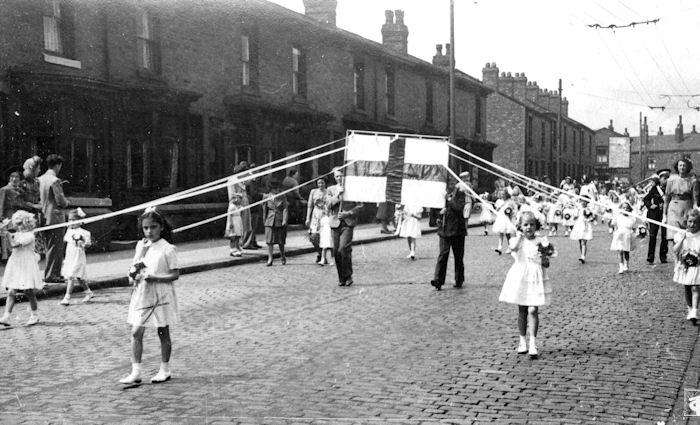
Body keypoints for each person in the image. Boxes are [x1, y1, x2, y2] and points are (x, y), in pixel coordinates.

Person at [120, 208, 180, 385]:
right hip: (142, 293)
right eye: (145, 228)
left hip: (160, 294)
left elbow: (175, 274)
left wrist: (156, 278)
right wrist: (132, 275)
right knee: (136, 331)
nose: (149, 231)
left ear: (161, 227)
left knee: (162, 331)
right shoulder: (141, 245)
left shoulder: (168, 248)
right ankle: (136, 371)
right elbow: (136, 265)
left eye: (153, 227)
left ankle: (165, 369)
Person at [498, 211, 555, 358]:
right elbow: (514, 248)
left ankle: (533, 343)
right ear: (520, 226)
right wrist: (519, 236)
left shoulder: (542, 241)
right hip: (521, 276)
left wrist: (545, 259)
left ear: (536, 226)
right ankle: (522, 341)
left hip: (535, 277)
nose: (529, 227)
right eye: (525, 225)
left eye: (531, 224)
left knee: (532, 310)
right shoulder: (516, 240)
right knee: (522, 310)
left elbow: (547, 262)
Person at [0, 210, 43, 326]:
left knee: (28, 291)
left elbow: (14, 245)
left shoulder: (29, 236)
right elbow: (11, 248)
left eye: (18, 224)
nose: (16, 226)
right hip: (16, 264)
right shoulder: (17, 235)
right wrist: (5, 236)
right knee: (11, 291)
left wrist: (7, 236)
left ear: (24, 224)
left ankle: (34, 315)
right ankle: (6, 317)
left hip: (26, 265)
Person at [326, 167, 363, 287]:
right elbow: (328, 204)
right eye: (337, 176)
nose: (339, 178)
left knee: (343, 249)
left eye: (341, 175)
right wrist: (338, 195)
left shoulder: (353, 189)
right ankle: (341, 277)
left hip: (347, 223)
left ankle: (348, 275)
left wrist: (348, 213)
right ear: (334, 177)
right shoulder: (331, 189)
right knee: (336, 251)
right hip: (335, 223)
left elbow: (360, 206)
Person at [38, 154, 69, 283]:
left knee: (49, 246)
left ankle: (53, 273)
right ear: (58, 165)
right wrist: (68, 202)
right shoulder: (55, 180)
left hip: (43, 216)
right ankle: (52, 275)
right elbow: (60, 201)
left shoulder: (39, 179)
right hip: (55, 217)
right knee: (56, 247)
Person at [430, 183, 467, 290]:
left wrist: (449, 199)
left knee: (458, 256)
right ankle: (438, 280)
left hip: (457, 231)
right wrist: (439, 213)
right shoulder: (441, 194)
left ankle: (459, 279)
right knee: (443, 254)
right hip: (444, 230)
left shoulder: (461, 194)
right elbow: (435, 210)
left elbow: (458, 207)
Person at [60, 208, 93, 305]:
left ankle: (67, 297)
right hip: (70, 255)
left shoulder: (85, 232)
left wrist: (82, 243)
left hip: (78, 256)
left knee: (71, 276)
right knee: (79, 277)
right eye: (69, 220)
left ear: (80, 221)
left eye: (74, 220)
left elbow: (88, 244)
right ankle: (89, 292)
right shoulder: (69, 231)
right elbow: (66, 241)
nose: (71, 222)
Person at [673, 209, 700, 324]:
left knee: (696, 287)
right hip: (685, 265)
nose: (692, 225)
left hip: (697, 265)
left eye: (695, 222)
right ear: (686, 222)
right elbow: (675, 250)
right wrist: (683, 238)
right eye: (690, 222)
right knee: (687, 287)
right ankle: (690, 309)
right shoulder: (680, 234)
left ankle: (694, 310)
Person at [664, 158, 696, 243]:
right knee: (675, 235)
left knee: (686, 234)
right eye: (680, 165)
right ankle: (677, 255)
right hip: (673, 208)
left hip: (686, 207)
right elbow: (667, 198)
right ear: (677, 167)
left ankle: (685, 255)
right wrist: (664, 214)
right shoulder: (671, 180)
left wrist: (695, 210)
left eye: (684, 165)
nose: (682, 167)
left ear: (688, 167)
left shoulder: (692, 181)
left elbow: (694, 198)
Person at [224, 164, 252, 257]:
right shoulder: (233, 181)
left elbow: (250, 181)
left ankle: (238, 246)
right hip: (235, 208)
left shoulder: (241, 181)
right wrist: (238, 199)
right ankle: (233, 248)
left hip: (242, 206)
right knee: (234, 229)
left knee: (240, 228)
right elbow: (232, 196)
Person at [262, 178, 288, 266]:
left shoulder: (282, 196)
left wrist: (284, 220)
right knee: (269, 241)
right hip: (270, 221)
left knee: (281, 241)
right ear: (271, 189)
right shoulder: (266, 197)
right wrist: (264, 221)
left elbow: (285, 208)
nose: (276, 190)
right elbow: (264, 210)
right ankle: (270, 258)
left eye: (277, 188)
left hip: (279, 220)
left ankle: (283, 256)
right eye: (274, 188)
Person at [0, 170, 23, 261]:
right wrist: (1, 217)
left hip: (17, 215)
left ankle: (16, 256)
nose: (14, 179)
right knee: (6, 236)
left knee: (16, 235)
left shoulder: (20, 190)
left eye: (16, 177)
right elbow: (1, 204)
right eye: (12, 177)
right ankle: (7, 257)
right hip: (7, 216)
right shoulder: (4, 189)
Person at [643, 176, 667, 265]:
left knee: (665, 237)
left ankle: (663, 256)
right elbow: (646, 199)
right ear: (660, 179)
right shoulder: (654, 189)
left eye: (667, 178)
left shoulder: (669, 188)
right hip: (654, 214)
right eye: (664, 178)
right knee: (653, 236)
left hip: (664, 215)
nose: (666, 180)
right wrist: (650, 206)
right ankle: (650, 257)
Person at [610, 201, 637, 274]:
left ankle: (626, 264)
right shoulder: (618, 216)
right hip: (619, 235)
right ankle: (621, 266)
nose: (625, 209)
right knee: (620, 250)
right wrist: (613, 231)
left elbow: (633, 227)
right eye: (623, 208)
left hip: (627, 235)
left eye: (627, 208)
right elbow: (613, 224)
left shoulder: (632, 218)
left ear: (629, 209)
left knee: (626, 251)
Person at [305, 177, 328, 264]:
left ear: (325, 183)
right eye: (319, 183)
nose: (321, 185)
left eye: (322, 183)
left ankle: (323, 256)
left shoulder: (328, 191)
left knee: (324, 236)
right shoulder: (313, 192)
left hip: (325, 215)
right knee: (313, 237)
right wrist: (308, 217)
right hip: (315, 216)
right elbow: (310, 205)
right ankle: (319, 252)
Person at [242, 164, 263, 250]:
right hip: (252, 205)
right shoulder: (251, 181)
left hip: (255, 205)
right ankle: (247, 243)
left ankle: (253, 241)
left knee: (254, 224)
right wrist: (263, 195)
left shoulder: (254, 181)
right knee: (251, 225)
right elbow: (253, 193)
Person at [569, 197, 594, 264]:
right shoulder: (578, 209)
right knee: (580, 241)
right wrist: (575, 216)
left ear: (587, 202)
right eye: (582, 201)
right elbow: (575, 217)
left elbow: (592, 218)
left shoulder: (589, 209)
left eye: (585, 201)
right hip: (579, 225)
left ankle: (583, 256)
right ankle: (582, 255)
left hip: (585, 225)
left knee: (584, 241)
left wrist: (588, 219)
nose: (583, 202)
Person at [492, 190, 516, 255]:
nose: (502, 195)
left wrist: (510, 212)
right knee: (500, 233)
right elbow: (496, 210)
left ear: (506, 194)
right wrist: (500, 206)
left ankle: (510, 247)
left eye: (503, 194)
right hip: (500, 218)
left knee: (508, 234)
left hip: (507, 219)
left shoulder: (510, 201)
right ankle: (499, 248)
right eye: (501, 194)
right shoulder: (499, 201)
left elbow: (514, 209)